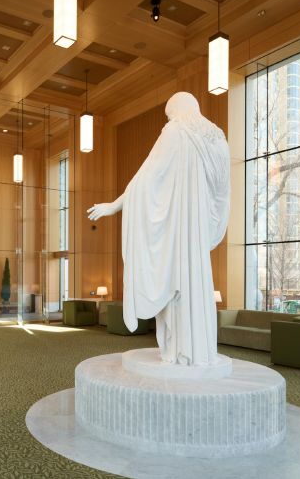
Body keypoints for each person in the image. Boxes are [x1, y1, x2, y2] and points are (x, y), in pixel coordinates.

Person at [88, 92, 230, 366]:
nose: (168, 120)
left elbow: (147, 177)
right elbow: (222, 194)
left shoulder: (176, 130)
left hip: (178, 233)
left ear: (177, 110)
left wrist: (114, 205)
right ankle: (199, 351)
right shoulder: (217, 140)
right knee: (193, 283)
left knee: (173, 283)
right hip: (197, 234)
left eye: (168, 114)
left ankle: (179, 352)